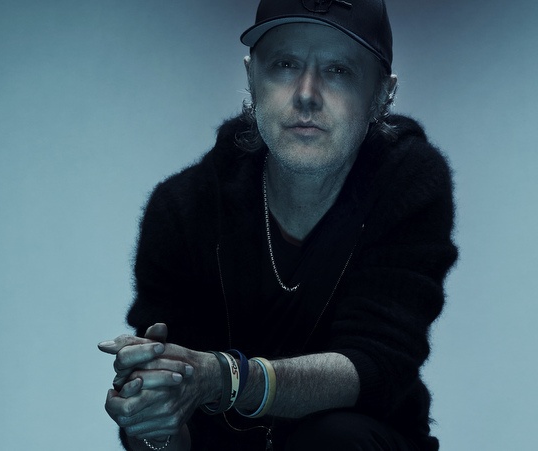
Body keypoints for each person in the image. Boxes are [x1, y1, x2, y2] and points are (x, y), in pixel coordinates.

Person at [98, 0, 458, 449]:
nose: (306, 93)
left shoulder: (407, 184)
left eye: (338, 70)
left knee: (334, 439)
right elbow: (169, 432)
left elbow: (377, 366)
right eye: (285, 65)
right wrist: (152, 413)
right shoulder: (184, 208)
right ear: (252, 77)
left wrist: (228, 379)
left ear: (382, 94)